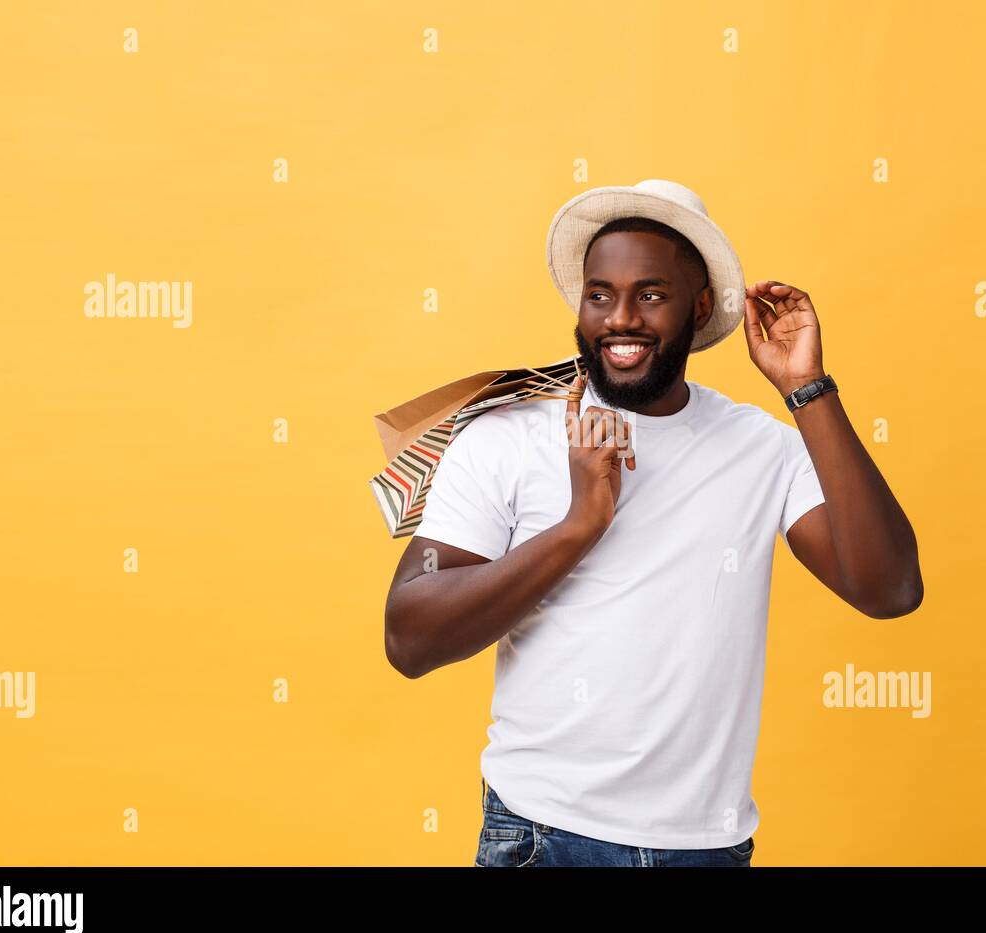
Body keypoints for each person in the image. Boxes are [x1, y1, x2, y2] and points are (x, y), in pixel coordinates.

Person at [383, 179, 923, 866]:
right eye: (600, 293)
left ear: (700, 310)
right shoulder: (507, 435)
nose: (621, 318)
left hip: (705, 846)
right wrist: (579, 526)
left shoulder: (761, 446)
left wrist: (805, 389)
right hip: (544, 836)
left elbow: (889, 590)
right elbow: (410, 637)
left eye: (652, 293)